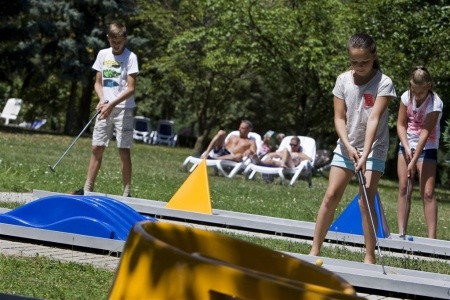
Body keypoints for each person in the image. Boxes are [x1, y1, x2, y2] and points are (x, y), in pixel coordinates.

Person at [309, 33, 396, 264]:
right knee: (331, 195)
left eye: (364, 62)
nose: (359, 67)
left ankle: (369, 257)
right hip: (346, 145)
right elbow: (339, 118)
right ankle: (315, 250)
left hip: (374, 147)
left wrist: (365, 152)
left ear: (373, 56)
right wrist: (348, 146)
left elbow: (374, 119)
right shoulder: (342, 80)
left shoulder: (384, 82)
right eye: (354, 62)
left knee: (364, 200)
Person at [72, 22, 139, 197]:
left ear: (125, 39)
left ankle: (127, 192)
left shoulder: (131, 57)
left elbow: (131, 88)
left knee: (123, 149)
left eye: (119, 41)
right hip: (105, 107)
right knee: (97, 147)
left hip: (124, 109)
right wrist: (102, 99)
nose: (116, 44)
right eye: (113, 40)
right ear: (108, 38)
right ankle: (87, 189)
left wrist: (111, 104)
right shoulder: (103, 54)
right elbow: (98, 83)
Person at [396, 66, 443, 239]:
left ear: (429, 86)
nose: (417, 96)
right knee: (404, 187)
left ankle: (432, 240)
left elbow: (425, 133)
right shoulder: (406, 97)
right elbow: (401, 124)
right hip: (407, 142)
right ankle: (401, 233)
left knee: (427, 192)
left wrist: (414, 159)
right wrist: (407, 148)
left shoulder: (435, 104)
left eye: (421, 92)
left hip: (428, 145)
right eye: (414, 91)